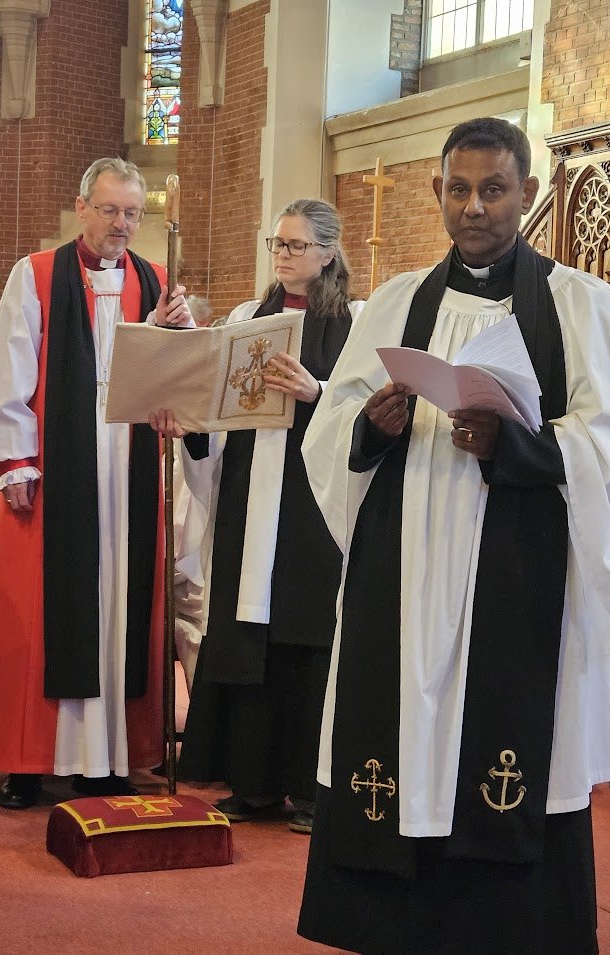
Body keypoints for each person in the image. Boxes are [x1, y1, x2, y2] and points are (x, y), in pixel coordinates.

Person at [297, 118, 610, 952]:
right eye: (459, 189)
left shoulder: (577, 303)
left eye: (493, 190)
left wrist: (513, 444)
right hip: (407, 576)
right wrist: (372, 427)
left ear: (527, 193)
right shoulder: (397, 302)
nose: (475, 207)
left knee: (504, 741)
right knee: (400, 727)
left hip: (517, 573)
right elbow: (329, 431)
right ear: (439, 193)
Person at [0, 157, 192, 809]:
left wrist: (178, 332)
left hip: (128, 462)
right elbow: (11, 365)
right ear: (82, 207)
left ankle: (106, 759)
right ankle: (29, 760)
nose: (121, 223)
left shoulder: (155, 280)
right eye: (110, 209)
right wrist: (15, 458)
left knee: (119, 604)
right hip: (53, 460)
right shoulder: (36, 273)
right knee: (40, 609)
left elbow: (177, 372)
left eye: (132, 213)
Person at [151, 198, 364, 834]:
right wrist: (192, 428)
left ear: (328, 252)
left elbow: (374, 411)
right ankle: (254, 785)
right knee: (250, 633)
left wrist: (316, 392)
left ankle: (313, 790)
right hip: (249, 493)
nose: (283, 254)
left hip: (314, 503)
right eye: (277, 243)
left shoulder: (355, 323)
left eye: (296, 245)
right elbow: (217, 411)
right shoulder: (248, 318)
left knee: (309, 636)